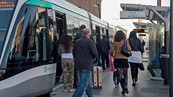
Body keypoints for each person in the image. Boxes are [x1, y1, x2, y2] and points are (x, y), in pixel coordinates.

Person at [72, 28, 98, 97]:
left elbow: (73, 53)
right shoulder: (90, 41)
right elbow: (95, 53)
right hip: (86, 65)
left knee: (85, 83)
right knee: (83, 84)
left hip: (78, 65)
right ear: (89, 34)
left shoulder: (77, 41)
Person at [110, 30, 131, 94]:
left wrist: (112, 54)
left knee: (120, 75)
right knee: (125, 74)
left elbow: (111, 51)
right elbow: (129, 49)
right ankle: (125, 86)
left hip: (117, 59)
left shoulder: (114, 42)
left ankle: (123, 89)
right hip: (124, 59)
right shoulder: (125, 41)